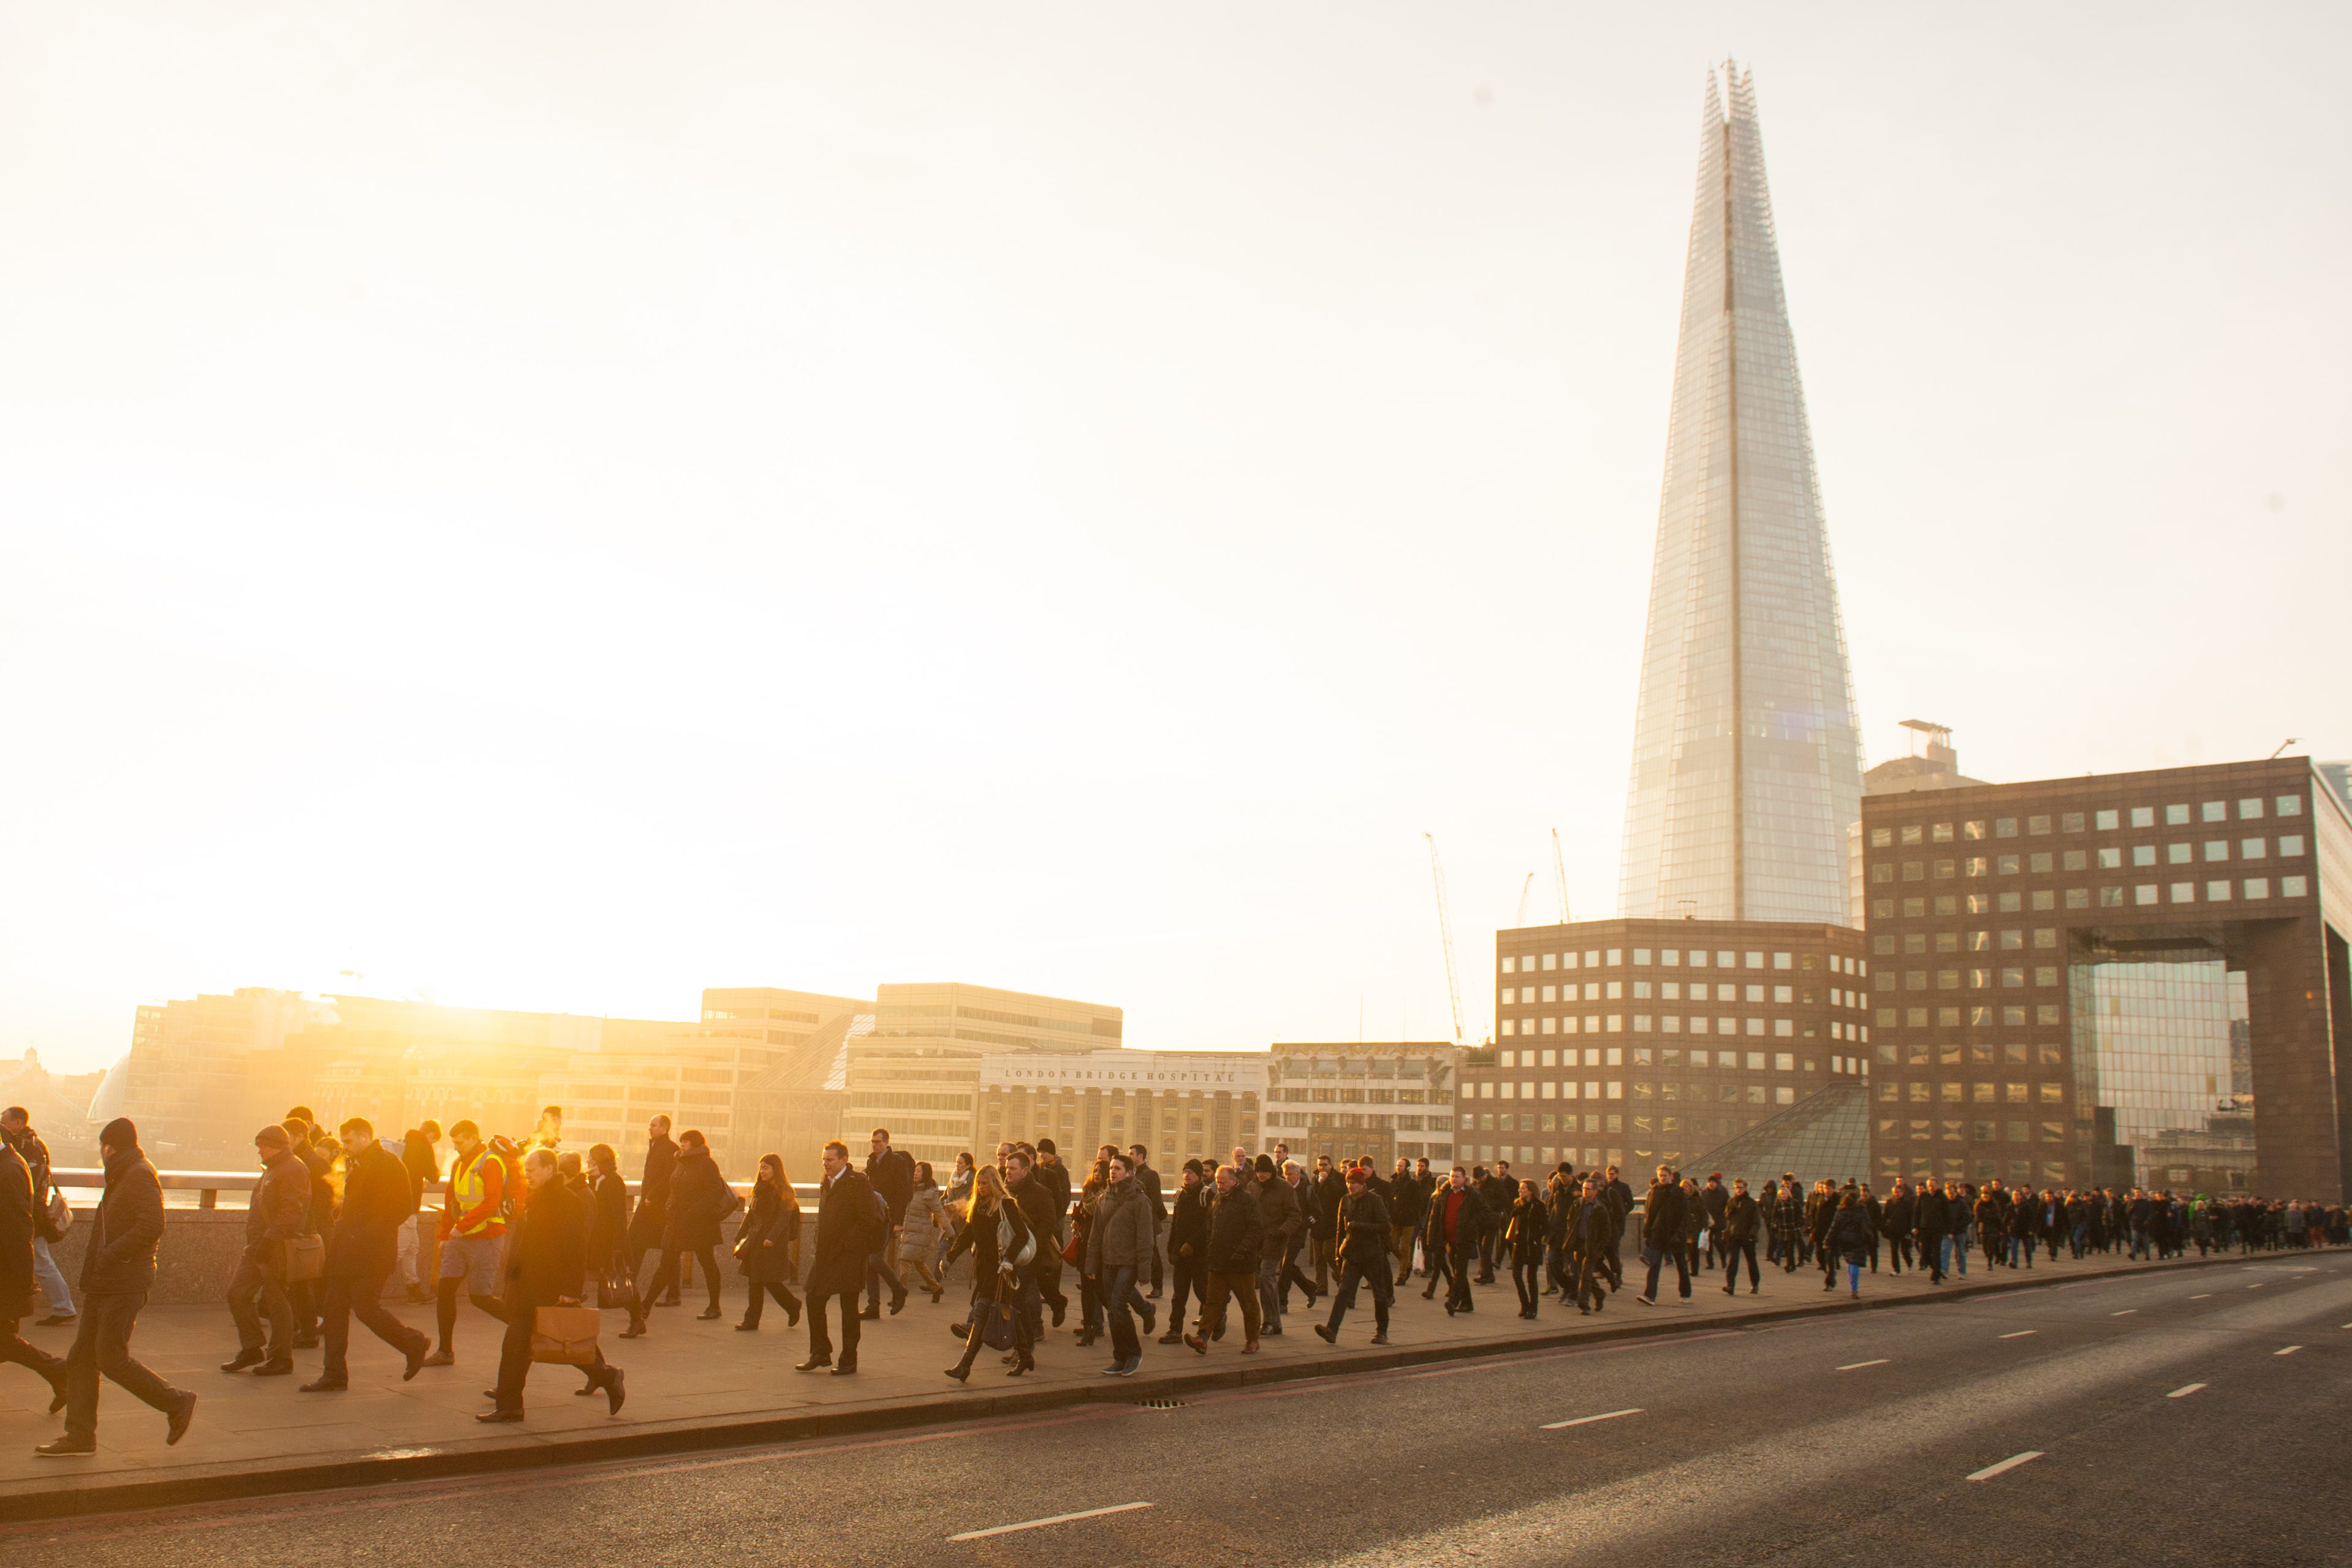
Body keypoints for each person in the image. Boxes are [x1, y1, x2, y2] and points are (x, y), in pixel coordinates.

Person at [39, 1118, 195, 1457]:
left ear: (109, 1147)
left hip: (124, 1280)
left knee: (110, 1358)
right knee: (82, 1358)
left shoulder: (138, 1173)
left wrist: (111, 1254)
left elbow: (153, 1224)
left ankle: (176, 1401)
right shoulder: (125, 1173)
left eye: (103, 1146)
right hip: (107, 1280)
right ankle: (80, 1437)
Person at [478, 1149, 623, 1422]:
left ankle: (608, 1375)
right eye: (525, 1170)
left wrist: (570, 1291)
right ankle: (510, 1404)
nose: (527, 1175)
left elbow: (578, 1248)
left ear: (549, 1169)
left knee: (559, 1342)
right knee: (523, 1346)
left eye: (532, 1170)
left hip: (548, 1287)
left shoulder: (567, 1201)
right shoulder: (536, 1198)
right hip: (527, 1287)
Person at [303, 1118, 430, 1390]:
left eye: (348, 1141)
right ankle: (334, 1374)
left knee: (366, 1308)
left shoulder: (388, 1164)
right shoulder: (357, 1164)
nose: (344, 1147)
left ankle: (414, 1343)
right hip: (346, 1253)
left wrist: (364, 1232)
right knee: (334, 1310)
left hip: (371, 1253)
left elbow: (402, 1207)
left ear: (364, 1138)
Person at [626, 1127, 734, 1334]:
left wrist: (694, 1211)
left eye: (686, 1142)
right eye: (682, 1141)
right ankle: (645, 1307)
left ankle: (714, 1306)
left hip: (701, 1225)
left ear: (695, 1144)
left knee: (707, 1263)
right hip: (678, 1223)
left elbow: (714, 1192)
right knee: (666, 1264)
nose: (682, 1144)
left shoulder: (707, 1164)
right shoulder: (681, 1162)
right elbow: (673, 1187)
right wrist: (670, 1206)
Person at [222, 1124, 309, 1376]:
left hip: (275, 1246)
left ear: (279, 1147)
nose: (260, 1149)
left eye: (265, 1145)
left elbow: (291, 1211)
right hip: (259, 1246)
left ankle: (282, 1358)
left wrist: (270, 1242)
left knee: (277, 1302)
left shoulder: (293, 1169)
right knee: (237, 1294)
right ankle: (252, 1348)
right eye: (259, 1144)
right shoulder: (274, 1168)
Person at [422, 1119, 509, 1369]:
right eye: (454, 1143)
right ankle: (445, 1351)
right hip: (460, 1237)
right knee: (445, 1291)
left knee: (480, 1297)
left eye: (460, 1142)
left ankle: (527, 1329)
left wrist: (461, 1227)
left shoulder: (490, 1162)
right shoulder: (460, 1163)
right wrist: (444, 1237)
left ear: (473, 1138)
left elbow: (491, 1202)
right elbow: (452, 1205)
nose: (456, 1147)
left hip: (487, 1236)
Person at [943, 1164, 1038, 1381]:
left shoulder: (1005, 1205)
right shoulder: (978, 1205)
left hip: (1002, 1270)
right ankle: (1025, 1356)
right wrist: (950, 1257)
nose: (981, 1187)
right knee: (1009, 1311)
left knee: (982, 1314)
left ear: (995, 1183)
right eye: (979, 1183)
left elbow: (1022, 1235)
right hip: (985, 1269)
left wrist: (1008, 1260)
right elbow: (968, 1234)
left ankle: (965, 1365)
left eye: (985, 1183)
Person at [799, 1140, 878, 1375]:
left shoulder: (859, 1183)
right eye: (824, 1160)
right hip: (825, 1256)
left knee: (849, 1309)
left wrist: (846, 1244)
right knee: (813, 1298)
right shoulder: (827, 1182)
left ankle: (848, 1360)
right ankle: (821, 1352)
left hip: (849, 1257)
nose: (826, 1164)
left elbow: (868, 1220)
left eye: (830, 1160)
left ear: (844, 1161)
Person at [0, 1131, 66, 1412]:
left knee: (4, 1342)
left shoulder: (9, 1170)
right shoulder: (8, 1164)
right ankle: (59, 1373)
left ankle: (60, 1372)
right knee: (4, 1343)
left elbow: (17, 1230)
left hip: (5, 1275)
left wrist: (22, 1286)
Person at [1082, 1153, 1155, 1375]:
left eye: (1118, 1169)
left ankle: (1134, 1353)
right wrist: (1091, 1265)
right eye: (1112, 1168)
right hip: (1108, 1262)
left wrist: (1144, 1271)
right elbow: (1096, 1234)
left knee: (1117, 1306)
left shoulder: (1140, 1200)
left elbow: (1145, 1238)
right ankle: (1120, 1357)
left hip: (1129, 1262)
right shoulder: (1105, 1198)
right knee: (1113, 1312)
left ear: (1130, 1173)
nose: (1112, 1172)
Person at [1, 1107, 74, 1327]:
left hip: (30, 1216)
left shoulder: (29, 1148)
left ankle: (64, 1308)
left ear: (18, 1123)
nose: (1, 1124)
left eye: (4, 1120)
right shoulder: (29, 1145)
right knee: (41, 1262)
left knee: (42, 1263)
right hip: (28, 1214)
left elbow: (25, 1185)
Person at [1183, 1164, 1262, 1356]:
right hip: (1218, 1262)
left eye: (1223, 1182)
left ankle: (1252, 1340)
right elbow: (1211, 1228)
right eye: (1218, 1182)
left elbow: (1255, 1229)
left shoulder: (1248, 1201)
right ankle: (1202, 1338)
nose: (1219, 1185)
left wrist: (1242, 1250)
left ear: (1234, 1181)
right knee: (1212, 1303)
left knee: (1248, 1304)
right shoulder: (1217, 1200)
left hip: (1241, 1264)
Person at [1316, 1164, 1395, 1345]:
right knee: (1344, 1293)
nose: (1350, 1186)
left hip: (1372, 1255)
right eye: (1348, 1183)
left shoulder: (1375, 1200)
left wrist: (1360, 1226)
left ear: (1362, 1184)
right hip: (1352, 1255)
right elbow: (1340, 1230)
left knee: (1380, 1294)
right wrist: (1338, 1255)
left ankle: (1382, 1332)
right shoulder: (1345, 1200)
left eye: (1354, 1183)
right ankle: (1332, 1330)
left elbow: (1385, 1226)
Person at [735, 1154, 804, 1331]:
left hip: (771, 1244)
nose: (762, 1171)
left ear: (776, 1169)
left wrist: (771, 1238)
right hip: (756, 1241)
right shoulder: (760, 1188)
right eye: (761, 1168)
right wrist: (740, 1235)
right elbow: (751, 1214)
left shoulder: (784, 1191)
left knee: (770, 1281)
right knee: (755, 1281)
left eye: (766, 1168)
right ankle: (752, 1321)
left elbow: (783, 1219)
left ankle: (792, 1305)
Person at [862, 1128, 916, 1319]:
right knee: (870, 1262)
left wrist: (898, 1221)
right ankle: (873, 1306)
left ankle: (899, 1290)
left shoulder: (896, 1163)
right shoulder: (872, 1161)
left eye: (878, 1142)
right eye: (873, 1142)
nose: (875, 1145)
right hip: (873, 1217)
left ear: (886, 1142)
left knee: (874, 1260)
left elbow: (904, 1194)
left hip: (887, 1218)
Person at [1424, 1165, 1490, 1316]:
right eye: (1452, 1176)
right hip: (1448, 1238)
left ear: (1464, 1179)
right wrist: (1431, 1237)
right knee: (1457, 1271)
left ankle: (1453, 1301)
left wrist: (1471, 1223)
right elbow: (1434, 1217)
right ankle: (1467, 1303)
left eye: (1457, 1177)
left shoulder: (1472, 1194)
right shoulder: (1444, 1193)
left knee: (1460, 1272)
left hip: (1464, 1239)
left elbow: (1486, 1212)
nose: (1454, 1179)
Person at [1250, 1155, 1302, 1336]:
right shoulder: (1252, 1186)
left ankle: (1271, 1321)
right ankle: (1272, 1322)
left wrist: (1281, 1232)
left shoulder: (1284, 1188)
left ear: (1271, 1172)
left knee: (1266, 1277)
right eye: (1258, 1171)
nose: (1261, 1175)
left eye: (1264, 1171)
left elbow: (1295, 1216)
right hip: (1255, 1240)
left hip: (1275, 1240)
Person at [1160, 1159, 1210, 1344]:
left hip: (1199, 1255)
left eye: (1191, 1173)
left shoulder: (1206, 1194)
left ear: (1198, 1176)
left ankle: (1216, 1319)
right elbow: (1175, 1225)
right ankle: (1175, 1330)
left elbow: (1208, 1225)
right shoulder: (1180, 1195)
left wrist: (1192, 1244)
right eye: (1185, 1172)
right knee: (1179, 1296)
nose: (1187, 1176)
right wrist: (1171, 1249)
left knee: (1202, 1292)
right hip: (1181, 1255)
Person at [629, 1116, 678, 1302]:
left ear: (664, 1129)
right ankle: (630, 1286)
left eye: (654, 1125)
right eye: (650, 1125)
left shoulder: (671, 1149)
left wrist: (651, 1197)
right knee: (637, 1243)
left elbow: (667, 1178)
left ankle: (673, 1293)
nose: (649, 1128)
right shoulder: (655, 1147)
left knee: (668, 1250)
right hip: (649, 1206)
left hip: (657, 1208)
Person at [398, 1121, 442, 1303]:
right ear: (431, 1135)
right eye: (434, 1141)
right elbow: (434, 1176)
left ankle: (413, 1288)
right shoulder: (423, 1145)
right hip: (408, 1207)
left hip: (401, 1204)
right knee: (398, 1251)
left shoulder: (404, 1142)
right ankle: (363, 1290)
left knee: (412, 1248)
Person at [1637, 1165, 1691, 1305]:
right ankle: (1650, 1296)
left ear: (1670, 1176)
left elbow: (1684, 1216)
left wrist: (1680, 1233)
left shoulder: (1679, 1193)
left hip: (1675, 1234)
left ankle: (1685, 1293)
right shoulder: (1655, 1192)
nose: (1662, 1178)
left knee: (1681, 1265)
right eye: (1660, 1176)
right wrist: (1647, 1232)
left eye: (1665, 1176)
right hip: (1658, 1233)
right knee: (1654, 1265)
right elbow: (1650, 1213)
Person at [898, 1162, 949, 1303]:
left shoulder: (929, 1193)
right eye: (915, 1171)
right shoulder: (911, 1190)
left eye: (919, 1171)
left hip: (921, 1234)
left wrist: (950, 1232)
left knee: (905, 1260)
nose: (915, 1173)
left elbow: (940, 1213)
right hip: (909, 1232)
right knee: (919, 1263)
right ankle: (936, 1288)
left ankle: (900, 1294)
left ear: (925, 1174)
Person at [1126, 1144, 1166, 1299]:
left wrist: (1149, 1219)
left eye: (1132, 1154)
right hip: (1132, 1221)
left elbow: (1156, 1200)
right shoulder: (1130, 1174)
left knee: (1152, 1254)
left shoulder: (1150, 1175)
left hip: (1147, 1221)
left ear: (1141, 1156)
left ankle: (1158, 1286)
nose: (1129, 1156)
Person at [1504, 1179, 1548, 1319]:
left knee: (1531, 1278)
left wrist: (1537, 1238)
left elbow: (1546, 1225)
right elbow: (1510, 1219)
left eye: (1523, 1188)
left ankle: (1533, 1307)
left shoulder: (1539, 1206)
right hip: (1520, 1245)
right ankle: (1525, 1304)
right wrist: (1518, 1209)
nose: (1520, 1191)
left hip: (1533, 1246)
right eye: (1520, 1189)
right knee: (1516, 1275)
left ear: (1530, 1190)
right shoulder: (1518, 1204)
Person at [1826, 1191, 1875, 1298]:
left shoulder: (1841, 1211)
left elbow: (1834, 1227)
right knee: (1854, 1263)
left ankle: (1853, 1287)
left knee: (1850, 1262)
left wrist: (1828, 1240)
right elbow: (1868, 1224)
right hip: (1858, 1240)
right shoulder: (1861, 1211)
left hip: (1844, 1240)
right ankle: (1854, 1289)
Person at [1718, 1176, 1761, 1295]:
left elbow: (1757, 1221)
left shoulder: (1751, 1203)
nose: (1738, 1190)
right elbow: (1727, 1216)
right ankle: (1730, 1285)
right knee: (1733, 1261)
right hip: (1735, 1235)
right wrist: (1731, 1211)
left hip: (1748, 1237)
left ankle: (1755, 1284)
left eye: (1741, 1188)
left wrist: (1752, 1234)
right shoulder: (1732, 1201)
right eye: (1736, 1188)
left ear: (1746, 1188)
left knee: (1751, 1261)